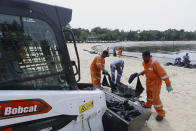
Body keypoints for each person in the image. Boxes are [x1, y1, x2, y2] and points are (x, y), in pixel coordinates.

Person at [137, 51, 173, 121]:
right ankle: (148, 105)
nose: (144, 58)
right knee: (149, 95)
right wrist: (141, 73)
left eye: (145, 57)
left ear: (149, 56)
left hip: (156, 82)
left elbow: (164, 74)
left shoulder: (155, 63)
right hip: (149, 81)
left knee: (155, 98)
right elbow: (146, 69)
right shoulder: (144, 63)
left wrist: (168, 85)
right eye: (143, 57)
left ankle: (161, 113)